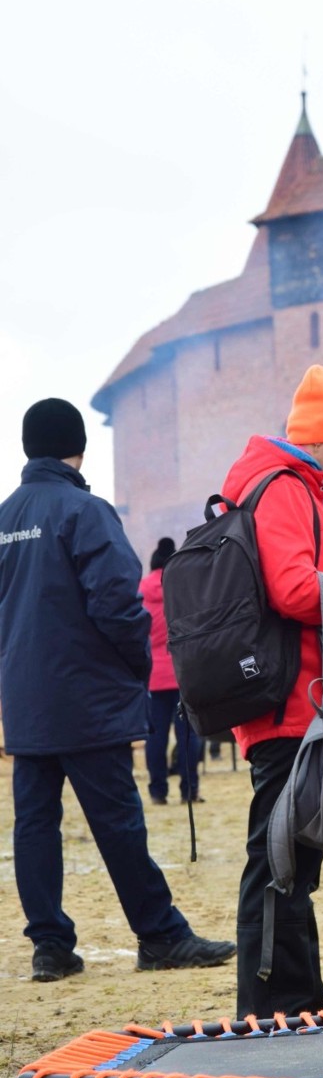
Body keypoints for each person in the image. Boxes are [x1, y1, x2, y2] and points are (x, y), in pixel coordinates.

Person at [0, 398, 236, 982]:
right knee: (117, 820)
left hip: (26, 700)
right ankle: (160, 935)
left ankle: (50, 946)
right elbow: (117, 603)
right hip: (85, 698)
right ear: (78, 447)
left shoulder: (5, 518)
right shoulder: (85, 510)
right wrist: (135, 666)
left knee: (33, 823)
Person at [221, 364, 323, 1020]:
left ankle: (295, 999)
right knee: (279, 859)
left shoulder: (293, 486)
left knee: (291, 860)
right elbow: (297, 590)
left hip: (296, 700)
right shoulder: (284, 488)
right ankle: (276, 1003)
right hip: (289, 704)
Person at [139, 537, 202, 805]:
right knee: (188, 734)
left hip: (153, 676)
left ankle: (157, 792)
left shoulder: (141, 588)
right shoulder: (181, 585)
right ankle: (189, 790)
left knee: (156, 737)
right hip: (183, 673)